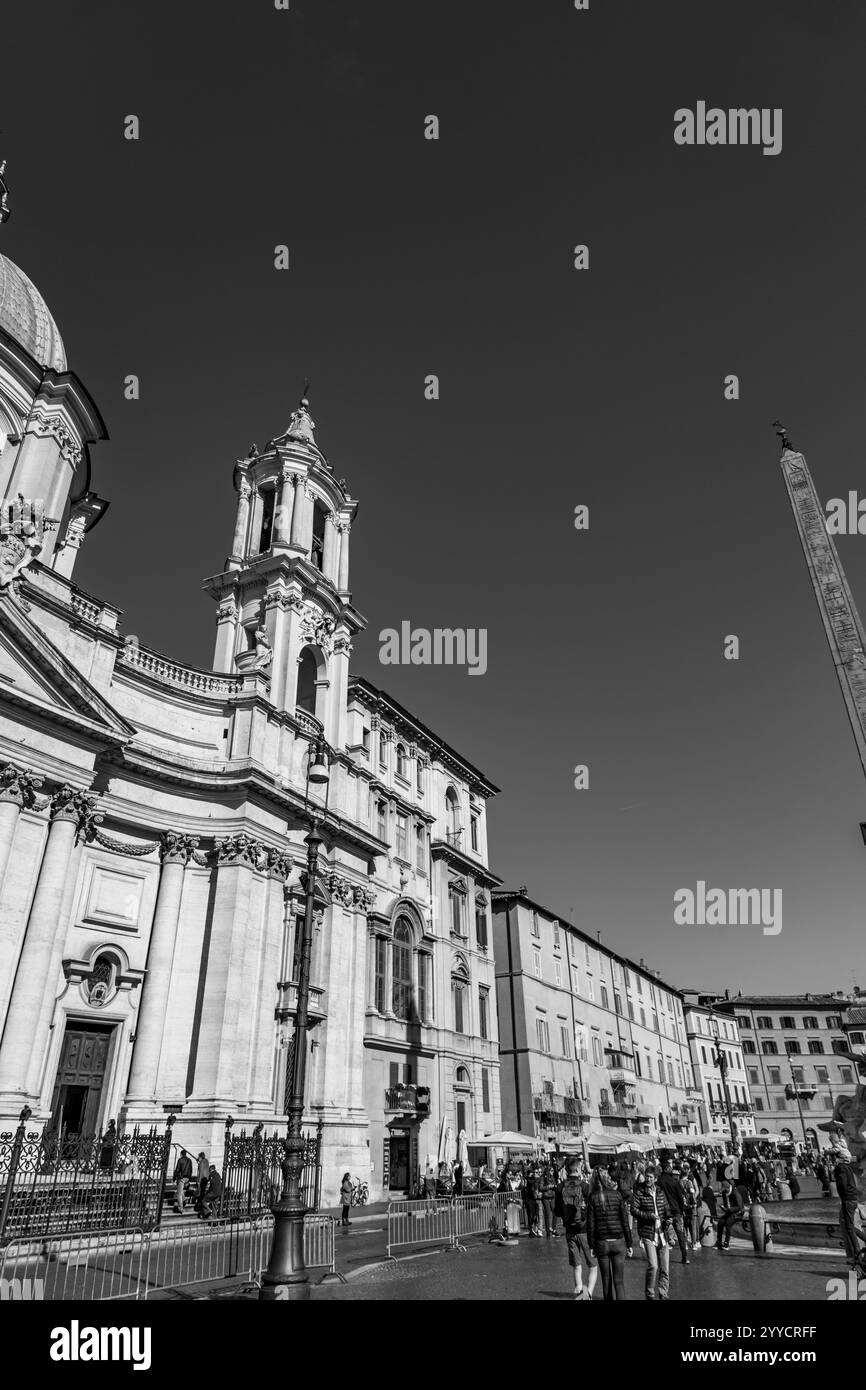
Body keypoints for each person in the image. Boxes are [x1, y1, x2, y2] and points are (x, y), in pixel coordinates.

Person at [586, 1167, 632, 1300]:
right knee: (619, 1281)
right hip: (618, 1241)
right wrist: (629, 1243)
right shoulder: (617, 1195)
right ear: (608, 1179)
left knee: (606, 1280)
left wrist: (591, 1245)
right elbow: (625, 1222)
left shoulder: (592, 1197)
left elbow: (591, 1225)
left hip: (602, 1243)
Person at [632, 1170, 675, 1300]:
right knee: (653, 1265)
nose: (648, 1179)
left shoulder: (660, 1192)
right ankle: (650, 1294)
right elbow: (633, 1210)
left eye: (650, 1177)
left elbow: (667, 1209)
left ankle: (663, 1293)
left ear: (655, 1178)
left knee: (665, 1268)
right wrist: (649, 1216)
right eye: (647, 1177)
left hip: (662, 1233)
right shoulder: (639, 1192)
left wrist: (669, 1218)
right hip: (648, 1233)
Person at [559, 1159, 597, 1299]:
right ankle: (589, 1294)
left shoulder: (560, 1186)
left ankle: (579, 1290)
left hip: (569, 1230)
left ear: (567, 1171)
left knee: (576, 1265)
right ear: (578, 1170)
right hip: (585, 1229)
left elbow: (556, 1210)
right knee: (592, 1265)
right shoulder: (586, 1186)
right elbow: (592, 1207)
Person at [833, 1144, 865, 1268]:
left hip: (848, 1200)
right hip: (853, 1199)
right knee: (849, 1226)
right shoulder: (848, 1167)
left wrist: (844, 1197)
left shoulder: (841, 1168)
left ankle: (857, 1253)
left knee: (849, 1227)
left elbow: (843, 1184)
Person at [658, 1160, 690, 1265]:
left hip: (663, 1211)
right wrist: (682, 1208)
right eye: (670, 1167)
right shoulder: (674, 1181)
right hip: (676, 1211)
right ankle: (684, 1257)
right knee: (680, 1233)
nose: (672, 1168)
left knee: (662, 1233)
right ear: (667, 1168)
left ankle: (661, 1256)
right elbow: (681, 1197)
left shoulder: (659, 1181)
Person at [715, 1178, 744, 1250]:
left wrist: (729, 1209)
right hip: (729, 1212)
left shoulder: (735, 1193)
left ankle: (726, 1243)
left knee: (728, 1223)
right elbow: (726, 1204)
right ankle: (719, 1242)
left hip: (738, 1213)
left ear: (728, 1188)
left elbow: (739, 1207)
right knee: (721, 1222)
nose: (723, 1192)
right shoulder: (725, 1193)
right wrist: (724, 1208)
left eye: (724, 1190)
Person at [540, 1164, 559, 1237]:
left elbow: (555, 1185)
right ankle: (548, 1230)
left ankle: (554, 1229)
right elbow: (541, 1187)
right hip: (546, 1197)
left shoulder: (553, 1177)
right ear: (548, 1171)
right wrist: (548, 1186)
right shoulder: (543, 1178)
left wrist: (555, 1186)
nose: (552, 1172)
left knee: (555, 1212)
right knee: (548, 1213)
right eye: (551, 1170)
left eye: (553, 1171)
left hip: (553, 1196)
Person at [173, 1149, 193, 1214]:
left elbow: (177, 1170)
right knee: (181, 1191)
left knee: (179, 1194)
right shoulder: (190, 1160)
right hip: (187, 1178)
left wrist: (174, 1178)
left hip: (181, 1178)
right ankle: (184, 1200)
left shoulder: (180, 1160)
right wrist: (189, 1178)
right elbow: (191, 1170)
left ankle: (180, 1208)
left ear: (181, 1154)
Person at [525, 1165, 542, 1237]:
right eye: (535, 1172)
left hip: (539, 1199)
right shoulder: (530, 1180)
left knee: (540, 1215)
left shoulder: (541, 1180)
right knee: (533, 1216)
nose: (536, 1173)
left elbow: (542, 1188)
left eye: (538, 1172)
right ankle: (533, 1229)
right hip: (531, 1199)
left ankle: (539, 1230)